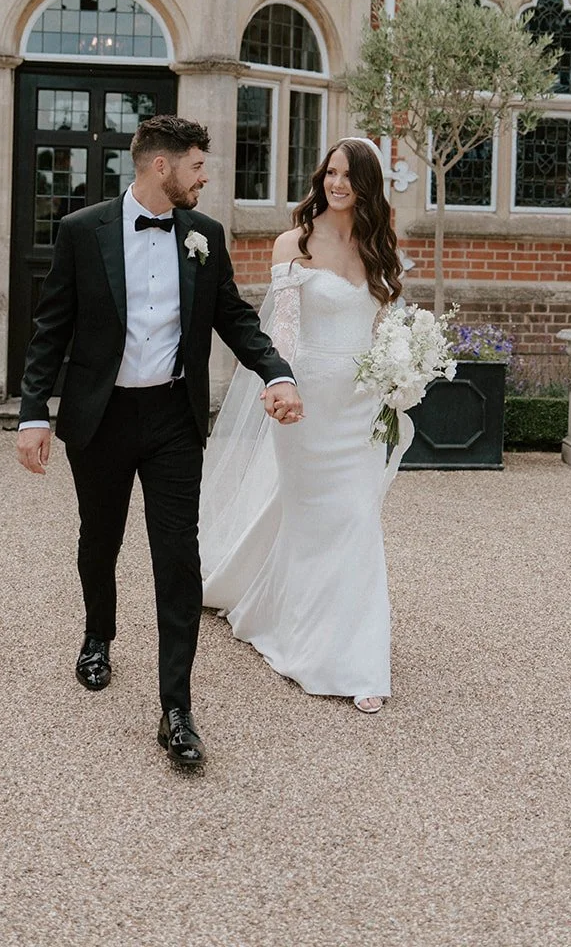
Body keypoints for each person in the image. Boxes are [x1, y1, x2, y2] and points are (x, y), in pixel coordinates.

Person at [15, 115, 302, 769]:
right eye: (198, 166)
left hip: (172, 418)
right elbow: (50, 331)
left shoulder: (204, 236)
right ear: (161, 167)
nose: (206, 178)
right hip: (101, 416)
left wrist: (277, 371)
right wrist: (34, 412)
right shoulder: (80, 232)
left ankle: (176, 709)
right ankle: (97, 636)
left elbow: (232, 316)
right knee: (100, 538)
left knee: (177, 556)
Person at [199, 137, 409, 714]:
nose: (337, 183)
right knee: (317, 520)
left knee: (358, 519)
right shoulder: (293, 242)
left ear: (368, 186)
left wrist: (401, 375)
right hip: (308, 405)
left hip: (362, 406)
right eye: (331, 172)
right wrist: (279, 383)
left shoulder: (378, 247)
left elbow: (384, 329)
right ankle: (310, 640)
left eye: (349, 176)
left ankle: (358, 657)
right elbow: (283, 330)